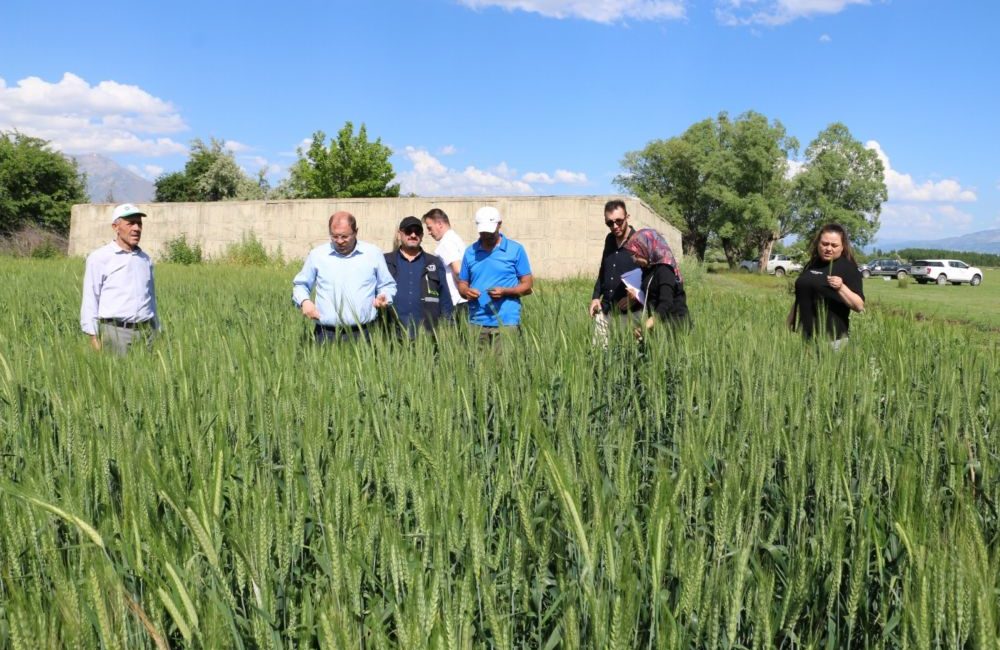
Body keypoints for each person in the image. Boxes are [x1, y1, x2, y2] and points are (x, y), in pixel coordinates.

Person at [292, 211, 397, 343]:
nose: (340, 241)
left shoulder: (373, 253)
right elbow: (301, 285)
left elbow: (387, 285)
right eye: (334, 236)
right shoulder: (317, 255)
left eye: (344, 236)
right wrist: (304, 302)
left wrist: (385, 296)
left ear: (356, 232)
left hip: (363, 333)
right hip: (325, 334)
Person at [80, 203, 160, 354]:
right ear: (115, 227)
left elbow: (151, 298)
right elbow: (91, 298)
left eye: (139, 223)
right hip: (115, 334)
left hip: (146, 332)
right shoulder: (99, 258)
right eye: (130, 223)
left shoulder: (145, 260)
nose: (136, 228)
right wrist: (93, 336)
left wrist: (156, 329)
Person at [457, 206, 533, 341]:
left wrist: (505, 292)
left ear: (499, 224)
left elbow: (527, 286)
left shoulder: (516, 250)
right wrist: (466, 291)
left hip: (507, 322)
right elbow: (462, 283)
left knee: (505, 362)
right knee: (476, 362)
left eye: (490, 232)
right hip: (476, 321)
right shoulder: (470, 252)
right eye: (483, 232)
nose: (487, 235)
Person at [788, 223, 864, 347]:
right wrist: (791, 318)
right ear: (818, 243)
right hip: (805, 337)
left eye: (834, 245)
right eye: (824, 244)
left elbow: (859, 306)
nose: (828, 248)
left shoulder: (848, 268)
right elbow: (801, 295)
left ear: (842, 247)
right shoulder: (813, 264)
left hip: (833, 341)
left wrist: (841, 287)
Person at [383, 216, 454, 338]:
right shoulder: (385, 261)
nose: (413, 235)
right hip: (393, 335)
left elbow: (445, 299)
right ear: (400, 234)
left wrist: (448, 327)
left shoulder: (434, 263)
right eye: (408, 231)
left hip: (427, 335)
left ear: (422, 236)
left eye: (417, 231)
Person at [589, 199, 642, 345]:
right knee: (599, 358)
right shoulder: (609, 239)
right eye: (609, 223)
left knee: (628, 360)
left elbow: (651, 276)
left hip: (630, 314)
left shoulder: (640, 241)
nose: (615, 226)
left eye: (619, 221)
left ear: (627, 217)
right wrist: (595, 297)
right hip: (605, 311)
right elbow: (604, 269)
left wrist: (636, 296)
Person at [623, 228, 690, 338]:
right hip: (657, 324)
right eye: (632, 256)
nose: (634, 260)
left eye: (636, 254)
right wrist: (636, 295)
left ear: (647, 248)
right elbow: (652, 295)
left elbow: (666, 303)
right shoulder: (648, 269)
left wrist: (645, 326)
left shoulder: (665, 269)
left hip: (674, 326)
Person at [422, 208, 468, 317]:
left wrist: (464, 291)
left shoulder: (446, 243)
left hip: (456, 301)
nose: (429, 232)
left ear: (439, 224)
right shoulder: (455, 238)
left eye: (429, 228)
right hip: (462, 300)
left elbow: (458, 270)